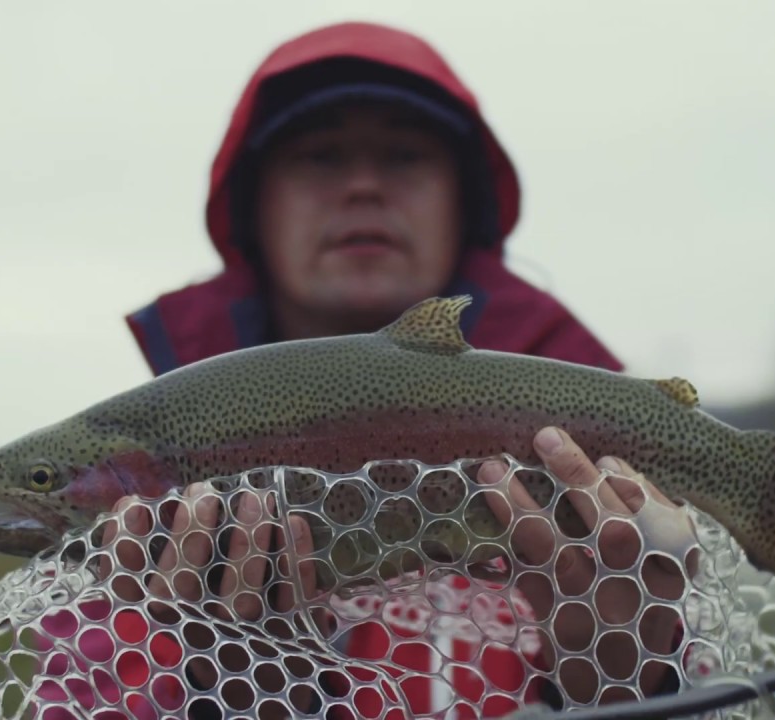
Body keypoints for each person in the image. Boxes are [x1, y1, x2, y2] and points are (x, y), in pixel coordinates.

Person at [100, 20, 694, 718]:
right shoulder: (143, 517)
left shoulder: (607, 468)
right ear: (254, 208)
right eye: (320, 156)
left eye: (405, 156)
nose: (362, 186)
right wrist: (223, 693)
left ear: (461, 202)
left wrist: (624, 686)